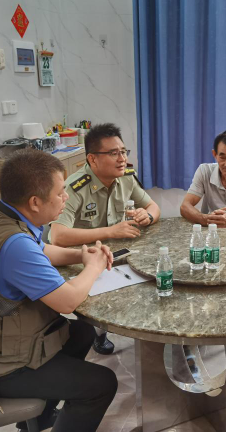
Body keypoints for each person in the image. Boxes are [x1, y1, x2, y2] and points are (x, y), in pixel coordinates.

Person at [0, 149, 118, 432]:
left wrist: (81, 255)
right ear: (34, 202)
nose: (65, 197)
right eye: (60, 192)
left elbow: (41, 250)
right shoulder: (15, 245)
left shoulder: (1, 218)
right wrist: (94, 267)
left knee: (82, 333)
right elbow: (67, 302)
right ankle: (40, 415)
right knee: (102, 384)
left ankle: (38, 419)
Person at [50, 122, 161, 355]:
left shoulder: (126, 178)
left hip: (117, 250)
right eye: (113, 153)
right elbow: (57, 236)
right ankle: (99, 333)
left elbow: (153, 206)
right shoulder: (75, 188)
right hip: (83, 257)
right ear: (92, 159)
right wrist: (110, 231)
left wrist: (147, 215)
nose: (122, 159)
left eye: (123, 151)